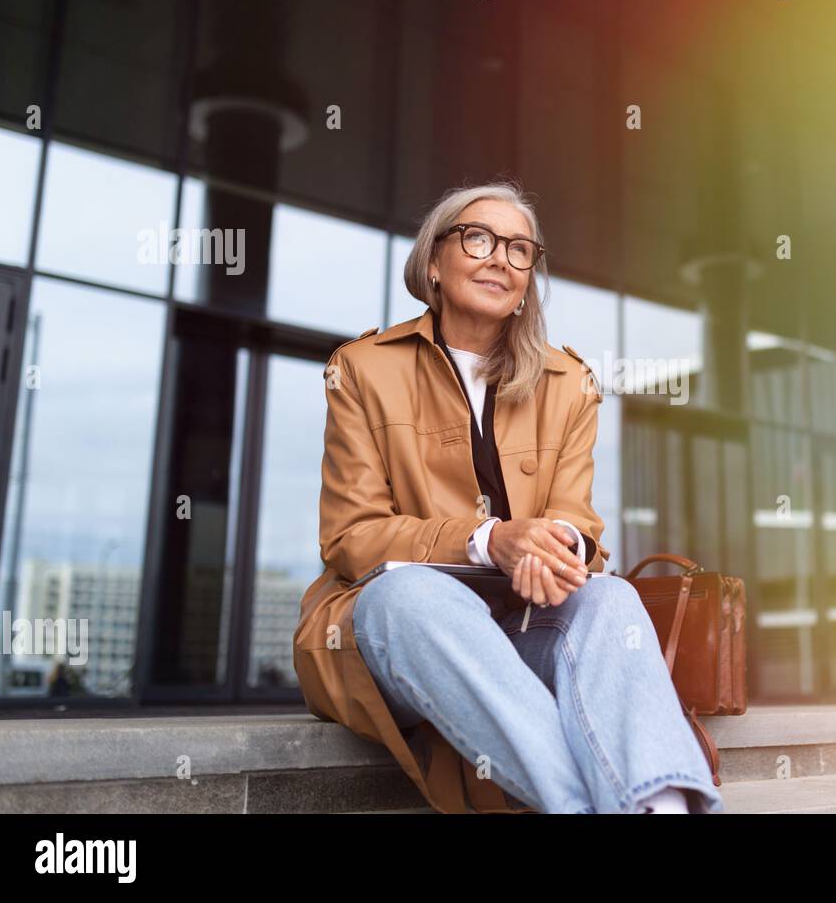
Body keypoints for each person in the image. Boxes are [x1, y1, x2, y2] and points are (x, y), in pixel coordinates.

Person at [296, 180, 724, 814]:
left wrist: (561, 547)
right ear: (432, 262)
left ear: (528, 277)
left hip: (521, 624)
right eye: (478, 238)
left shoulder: (569, 382)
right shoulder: (363, 369)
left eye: (520, 249)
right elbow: (352, 537)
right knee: (409, 591)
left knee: (609, 595)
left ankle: (659, 808)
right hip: (399, 631)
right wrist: (488, 541)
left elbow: (577, 522)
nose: (500, 257)